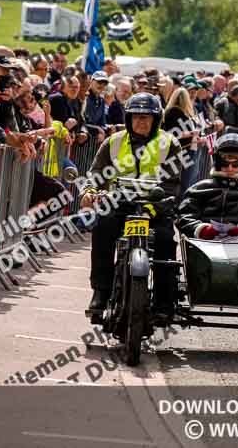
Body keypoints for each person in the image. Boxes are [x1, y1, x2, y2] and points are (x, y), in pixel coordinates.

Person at [81, 93, 181, 320]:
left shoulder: (169, 144)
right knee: (102, 229)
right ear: (128, 118)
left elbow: (173, 186)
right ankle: (101, 292)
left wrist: (153, 207)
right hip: (120, 204)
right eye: (136, 117)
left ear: (156, 119)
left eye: (147, 117)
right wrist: (89, 191)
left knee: (165, 240)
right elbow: (96, 173)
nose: (141, 122)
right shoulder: (113, 142)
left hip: (155, 207)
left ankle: (164, 302)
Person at [177, 133, 238, 240]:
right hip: (202, 245)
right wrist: (201, 229)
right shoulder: (198, 189)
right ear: (217, 163)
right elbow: (184, 216)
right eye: (224, 164)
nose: (229, 168)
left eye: (235, 165)